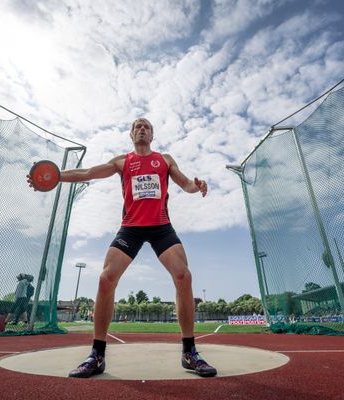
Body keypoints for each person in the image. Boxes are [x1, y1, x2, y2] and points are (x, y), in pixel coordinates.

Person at [27, 117, 216, 378]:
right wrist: (56, 176)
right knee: (106, 279)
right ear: (131, 134)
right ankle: (97, 355)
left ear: (152, 134)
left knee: (184, 276)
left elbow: (186, 184)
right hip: (131, 228)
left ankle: (189, 353)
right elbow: (87, 173)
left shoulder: (166, 160)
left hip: (161, 226)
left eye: (146, 126)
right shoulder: (122, 162)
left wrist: (198, 186)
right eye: (137, 126)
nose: (141, 128)